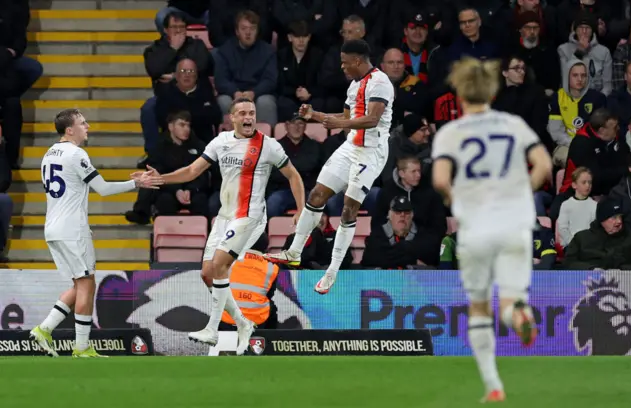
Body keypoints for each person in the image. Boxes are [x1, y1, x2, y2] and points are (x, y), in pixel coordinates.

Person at [431, 57, 553, 402]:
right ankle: (518, 311)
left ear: (460, 94)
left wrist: (461, 201)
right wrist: (519, 193)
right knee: (511, 298)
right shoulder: (513, 123)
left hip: (477, 226)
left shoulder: (451, 132)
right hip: (515, 221)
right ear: (492, 90)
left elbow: (440, 179)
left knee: (479, 307)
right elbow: (544, 164)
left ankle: (493, 385)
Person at [146, 97, 305, 353]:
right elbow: (191, 171)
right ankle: (243, 323)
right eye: (242, 112)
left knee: (220, 264)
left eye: (251, 112)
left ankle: (212, 328)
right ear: (232, 118)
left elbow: (293, 175)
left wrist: (300, 209)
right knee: (208, 274)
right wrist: (160, 179)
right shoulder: (221, 142)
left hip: (250, 215)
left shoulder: (268, 145)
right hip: (225, 217)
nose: (248, 117)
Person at [264, 39, 395, 295]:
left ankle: (332, 270)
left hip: (371, 152)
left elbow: (371, 119)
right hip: (351, 146)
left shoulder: (380, 82)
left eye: (345, 62)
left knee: (349, 208)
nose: (343, 67)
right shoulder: (354, 85)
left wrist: (331, 121)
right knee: (316, 195)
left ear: (357, 60)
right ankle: (294, 251)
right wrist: (316, 115)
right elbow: (345, 119)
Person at [29, 109, 162, 358]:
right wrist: (137, 183)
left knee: (79, 284)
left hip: (53, 228)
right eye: (82, 123)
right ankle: (81, 348)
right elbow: (102, 188)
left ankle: (44, 329)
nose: (87, 126)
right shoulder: (76, 154)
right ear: (70, 130)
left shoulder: (48, 154)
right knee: (87, 284)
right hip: (72, 229)